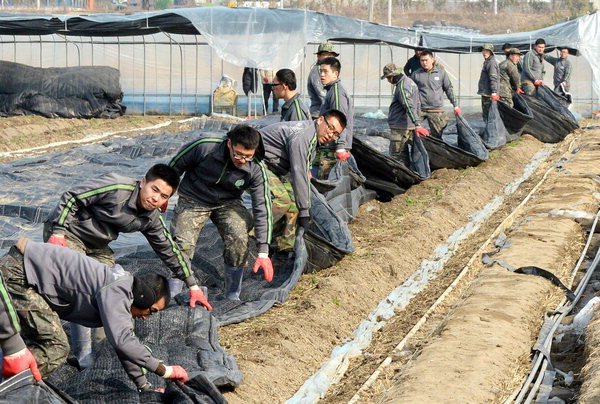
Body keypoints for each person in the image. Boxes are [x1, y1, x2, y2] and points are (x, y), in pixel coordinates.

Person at [44, 164, 210, 368]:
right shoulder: (116, 187)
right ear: (143, 183)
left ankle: (103, 347)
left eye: (164, 196)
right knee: (83, 286)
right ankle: (83, 354)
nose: (156, 198)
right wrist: (58, 231)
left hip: (98, 245)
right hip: (68, 233)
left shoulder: (151, 217)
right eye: (154, 190)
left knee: (110, 287)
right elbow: (72, 197)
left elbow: (169, 249)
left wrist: (192, 284)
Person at [0, 238, 188, 391]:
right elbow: (123, 342)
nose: (146, 317)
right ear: (143, 297)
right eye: (151, 310)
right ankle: (10, 390)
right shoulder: (118, 289)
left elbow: (124, 347)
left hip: (25, 273)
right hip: (19, 273)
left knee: (34, 342)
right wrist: (165, 371)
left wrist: (143, 385)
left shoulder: (120, 291)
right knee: (55, 347)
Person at [168, 125, 273, 301]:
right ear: (229, 144)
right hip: (194, 197)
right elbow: (174, 167)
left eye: (248, 156)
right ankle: (174, 291)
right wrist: (164, 194)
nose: (242, 160)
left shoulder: (256, 167)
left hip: (228, 202)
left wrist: (263, 250)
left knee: (238, 238)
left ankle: (232, 293)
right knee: (183, 242)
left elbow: (262, 205)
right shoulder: (205, 146)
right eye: (238, 154)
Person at [258, 109, 347, 251]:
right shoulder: (303, 136)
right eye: (330, 128)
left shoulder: (312, 136)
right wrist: (305, 212)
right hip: (256, 163)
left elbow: (304, 171)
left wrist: (303, 207)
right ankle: (255, 237)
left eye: (336, 134)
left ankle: (284, 247)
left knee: (293, 206)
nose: (331, 135)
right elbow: (299, 173)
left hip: (273, 167)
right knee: (283, 202)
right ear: (320, 120)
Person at [380, 63, 428, 164]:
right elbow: (417, 104)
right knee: (406, 155)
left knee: (397, 156)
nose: (388, 81)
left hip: (400, 128)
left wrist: (417, 124)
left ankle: (400, 178)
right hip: (408, 125)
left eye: (388, 78)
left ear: (392, 76)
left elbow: (408, 105)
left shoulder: (402, 87)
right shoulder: (410, 82)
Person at [316, 57, 353, 179]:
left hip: (332, 149)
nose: (322, 74)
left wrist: (340, 147)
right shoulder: (332, 90)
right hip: (330, 147)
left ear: (335, 73)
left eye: (325, 71)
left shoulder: (337, 93)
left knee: (328, 184)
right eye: (320, 71)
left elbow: (340, 122)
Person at [410, 50, 460, 139]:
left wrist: (455, 105)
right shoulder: (416, 74)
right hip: (420, 109)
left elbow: (449, 88)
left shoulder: (441, 73)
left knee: (437, 135)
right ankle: (416, 151)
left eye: (426, 60)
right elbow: (410, 92)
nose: (424, 63)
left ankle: (436, 152)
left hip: (436, 110)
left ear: (432, 60)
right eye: (422, 60)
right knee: (412, 130)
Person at [307, 42, 339, 118]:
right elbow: (322, 95)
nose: (329, 57)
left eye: (331, 55)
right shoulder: (317, 71)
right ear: (318, 56)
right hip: (318, 115)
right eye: (325, 54)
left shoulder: (327, 70)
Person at [477, 44, 500, 122]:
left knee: (488, 115)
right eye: (483, 50)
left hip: (488, 94)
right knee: (487, 114)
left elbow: (493, 78)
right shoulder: (487, 62)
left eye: (487, 51)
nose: (484, 53)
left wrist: (494, 92)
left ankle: (489, 131)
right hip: (486, 93)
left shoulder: (491, 63)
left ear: (491, 52)